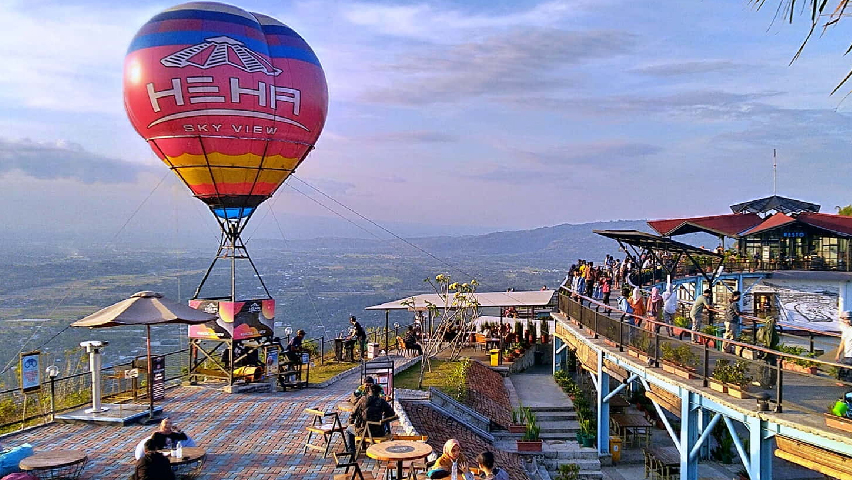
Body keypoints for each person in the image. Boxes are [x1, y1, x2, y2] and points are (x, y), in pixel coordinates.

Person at [346, 383, 395, 456]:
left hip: (363, 431)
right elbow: (392, 414)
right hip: (379, 432)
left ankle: (351, 451)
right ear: (378, 393)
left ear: (369, 392)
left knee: (348, 430)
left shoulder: (362, 400)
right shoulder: (382, 401)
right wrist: (384, 417)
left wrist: (351, 422)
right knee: (384, 423)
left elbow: (353, 413)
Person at [756, 316, 780, 388]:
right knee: (772, 366)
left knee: (762, 366)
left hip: (762, 349)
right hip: (771, 350)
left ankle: (761, 381)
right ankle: (771, 383)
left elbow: (758, 338)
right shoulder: (773, 330)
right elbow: (776, 340)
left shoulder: (762, 329)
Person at [835, 310, 852, 382]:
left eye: (848, 319)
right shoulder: (846, 329)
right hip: (847, 354)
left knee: (848, 373)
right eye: (844, 320)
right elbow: (843, 342)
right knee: (845, 370)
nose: (847, 322)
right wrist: (838, 354)